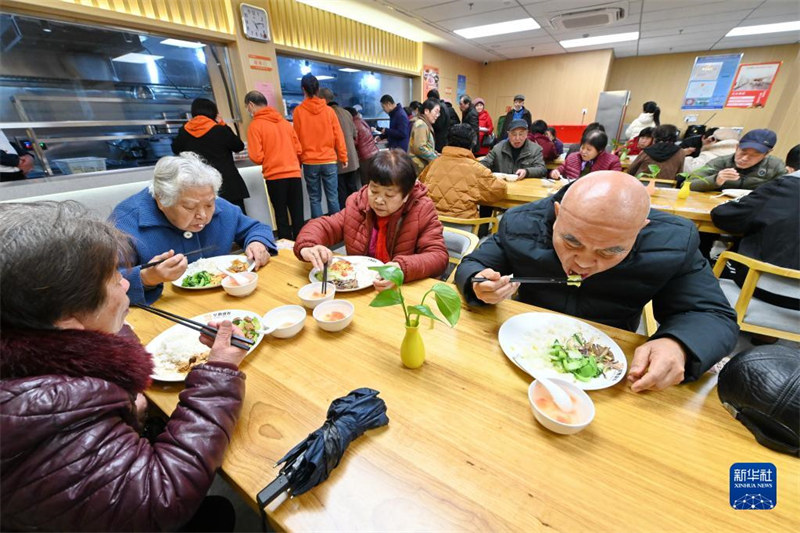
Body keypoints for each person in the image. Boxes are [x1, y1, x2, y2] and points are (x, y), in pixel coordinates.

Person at [0, 201, 248, 531]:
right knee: (217, 515)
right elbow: (160, 496)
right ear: (68, 322)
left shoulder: (29, 340)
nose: (127, 283)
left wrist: (113, 334)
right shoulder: (47, 407)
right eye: (115, 279)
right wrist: (219, 370)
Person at [455, 171, 738, 392]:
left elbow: (712, 314)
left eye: (609, 251)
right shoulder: (522, 223)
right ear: (558, 215)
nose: (584, 262)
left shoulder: (673, 242)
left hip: (612, 370)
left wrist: (679, 344)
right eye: (571, 242)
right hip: (521, 350)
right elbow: (474, 265)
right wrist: (479, 284)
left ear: (640, 230)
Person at [110, 152, 276, 305]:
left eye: (209, 204)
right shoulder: (125, 222)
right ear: (161, 201)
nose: (203, 215)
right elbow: (103, 284)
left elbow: (256, 228)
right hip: (165, 310)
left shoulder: (216, 204)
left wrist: (257, 242)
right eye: (189, 207)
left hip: (227, 300)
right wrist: (147, 278)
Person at [294, 149, 448, 289]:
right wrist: (308, 246)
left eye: (389, 195)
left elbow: (438, 256)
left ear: (406, 195)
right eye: (374, 191)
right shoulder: (358, 203)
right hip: (360, 287)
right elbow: (326, 225)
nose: (379, 200)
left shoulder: (421, 209)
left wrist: (402, 268)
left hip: (400, 291)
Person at [711, 144, 800, 310]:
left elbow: (723, 216)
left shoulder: (782, 186)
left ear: (789, 169)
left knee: (710, 258)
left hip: (760, 287)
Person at [171, 98, 249, 214]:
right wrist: (223, 125)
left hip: (201, 185)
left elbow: (176, 149)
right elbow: (238, 146)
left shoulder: (184, 131)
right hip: (228, 183)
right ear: (213, 112)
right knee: (237, 218)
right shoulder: (220, 130)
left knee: (209, 218)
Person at [245, 90, 304, 240]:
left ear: (251, 105)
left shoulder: (255, 126)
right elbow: (299, 149)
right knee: (297, 213)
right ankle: (303, 243)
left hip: (275, 176)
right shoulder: (285, 123)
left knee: (281, 214)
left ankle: (286, 246)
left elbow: (257, 157)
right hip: (294, 173)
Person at [418, 123, 507, 218]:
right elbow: (499, 191)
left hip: (432, 221)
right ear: (472, 144)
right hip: (464, 224)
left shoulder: (434, 163)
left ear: (447, 141)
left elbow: (420, 185)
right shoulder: (477, 169)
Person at [293, 74, 348, 218]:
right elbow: (338, 135)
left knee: (314, 198)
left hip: (309, 161)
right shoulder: (329, 111)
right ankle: (336, 227)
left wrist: (298, 161)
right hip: (329, 160)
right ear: (318, 89)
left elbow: (296, 139)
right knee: (333, 197)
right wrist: (343, 156)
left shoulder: (298, 111)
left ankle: (319, 228)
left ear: (303, 89)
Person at [689, 129, 785, 191]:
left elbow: (784, 192)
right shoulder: (721, 162)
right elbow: (688, 184)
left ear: (767, 153)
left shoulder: (775, 166)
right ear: (737, 147)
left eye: (754, 155)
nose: (744, 158)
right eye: (743, 152)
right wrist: (716, 180)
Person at [320, 87, 361, 208]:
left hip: (337, 159)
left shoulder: (326, 114)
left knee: (341, 191)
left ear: (322, 99)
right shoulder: (346, 112)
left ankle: (346, 215)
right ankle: (357, 212)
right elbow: (355, 133)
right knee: (352, 189)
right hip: (352, 158)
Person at [481, 119, 547, 181]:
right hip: (503, 186)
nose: (517, 138)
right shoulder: (498, 148)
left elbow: (542, 169)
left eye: (521, 134)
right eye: (514, 134)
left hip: (525, 187)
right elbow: (484, 164)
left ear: (526, 134)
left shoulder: (535, 149)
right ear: (508, 134)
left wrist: (526, 172)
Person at [550, 129, 622, 181]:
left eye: (588, 149)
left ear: (600, 150)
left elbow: (616, 182)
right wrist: (555, 172)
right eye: (582, 147)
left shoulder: (612, 162)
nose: (583, 152)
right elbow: (562, 168)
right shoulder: (573, 157)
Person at [346, 106, 379, 186]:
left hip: (365, 156)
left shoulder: (354, 124)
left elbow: (355, 142)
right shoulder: (361, 121)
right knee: (375, 179)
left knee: (366, 181)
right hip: (374, 152)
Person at [409, 98, 440, 174]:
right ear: (426, 111)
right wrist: (435, 158)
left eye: (439, 113)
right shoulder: (421, 124)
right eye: (436, 112)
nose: (437, 115)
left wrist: (435, 153)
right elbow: (420, 148)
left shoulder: (425, 124)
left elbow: (426, 145)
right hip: (418, 167)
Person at [427, 89, 450, 153]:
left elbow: (439, 125)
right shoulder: (443, 105)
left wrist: (429, 123)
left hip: (439, 139)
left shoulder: (440, 107)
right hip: (442, 138)